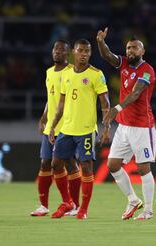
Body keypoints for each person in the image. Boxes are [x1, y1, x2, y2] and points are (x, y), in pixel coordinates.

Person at [97, 27, 156, 220]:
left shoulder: (147, 71)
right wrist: (100, 42)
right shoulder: (123, 63)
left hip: (141, 126)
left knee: (143, 168)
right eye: (129, 48)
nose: (131, 51)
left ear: (142, 51)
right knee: (113, 165)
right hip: (124, 126)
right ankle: (132, 199)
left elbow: (136, 93)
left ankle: (147, 210)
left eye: (135, 48)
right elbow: (107, 55)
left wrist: (116, 109)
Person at [49, 39, 110, 220]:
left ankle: (83, 209)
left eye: (87, 51)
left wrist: (106, 127)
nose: (84, 54)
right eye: (80, 50)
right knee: (55, 164)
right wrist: (53, 126)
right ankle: (68, 202)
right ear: (73, 52)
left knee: (86, 166)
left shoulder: (96, 74)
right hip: (67, 129)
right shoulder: (66, 75)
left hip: (86, 130)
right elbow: (60, 104)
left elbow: (105, 104)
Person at [31, 40, 81, 217]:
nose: (57, 52)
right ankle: (43, 205)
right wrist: (44, 117)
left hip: (66, 127)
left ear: (68, 54)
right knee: (45, 163)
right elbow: (50, 98)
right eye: (55, 49)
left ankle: (74, 205)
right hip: (50, 127)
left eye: (62, 50)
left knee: (69, 163)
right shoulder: (49, 72)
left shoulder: (72, 72)